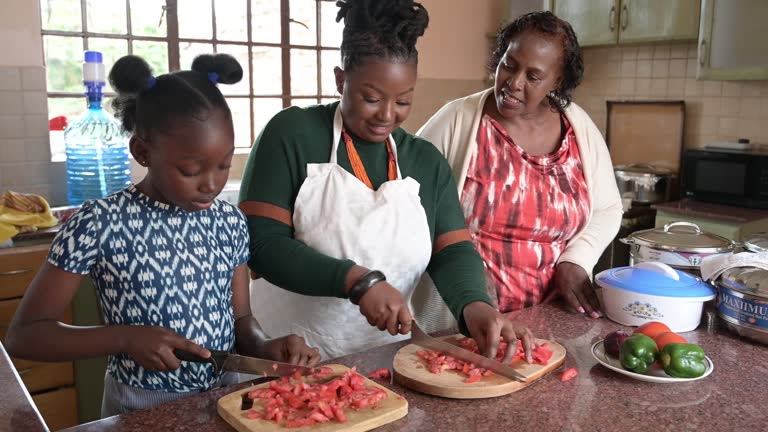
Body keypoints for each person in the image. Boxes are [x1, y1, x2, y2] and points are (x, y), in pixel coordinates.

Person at [5, 53, 319, 417]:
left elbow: (241, 321)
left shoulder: (230, 222)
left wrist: (266, 346)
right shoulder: (99, 223)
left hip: (228, 399)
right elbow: (25, 335)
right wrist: (125, 337)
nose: (212, 184)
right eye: (191, 169)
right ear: (142, 152)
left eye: (223, 164)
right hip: (141, 406)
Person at [239, 0, 534, 363]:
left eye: (403, 101)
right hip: (287, 358)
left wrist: (475, 304)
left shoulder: (425, 161)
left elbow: (453, 251)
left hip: (385, 363)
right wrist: (357, 282)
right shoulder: (291, 134)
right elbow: (261, 244)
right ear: (340, 79)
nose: (387, 115)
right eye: (371, 98)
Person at [417, 11, 622, 318]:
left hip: (553, 316)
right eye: (508, 65)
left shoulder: (579, 129)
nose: (514, 82)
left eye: (533, 76)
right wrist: (465, 276)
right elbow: (408, 204)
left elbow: (608, 208)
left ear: (558, 80)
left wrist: (577, 260)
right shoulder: (456, 120)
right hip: (460, 316)